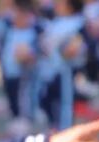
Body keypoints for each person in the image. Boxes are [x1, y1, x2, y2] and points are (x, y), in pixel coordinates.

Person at [38, 0, 86, 129]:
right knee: (47, 98)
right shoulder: (56, 22)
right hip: (51, 69)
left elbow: (77, 45)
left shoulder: (78, 23)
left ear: (70, 6)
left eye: (61, 3)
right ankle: (55, 125)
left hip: (67, 69)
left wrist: (70, 49)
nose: (57, 5)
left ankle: (66, 128)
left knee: (65, 101)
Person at [2, 0, 42, 134]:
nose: (16, 18)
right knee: (11, 94)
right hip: (9, 71)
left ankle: (24, 119)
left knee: (23, 95)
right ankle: (15, 117)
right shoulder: (11, 31)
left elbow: (34, 53)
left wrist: (26, 56)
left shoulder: (31, 33)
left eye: (20, 16)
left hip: (22, 73)